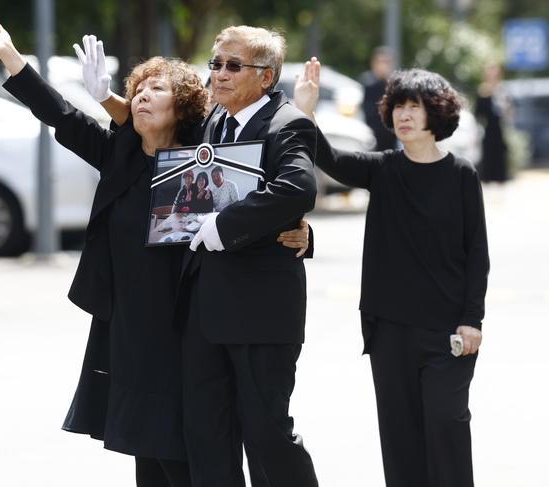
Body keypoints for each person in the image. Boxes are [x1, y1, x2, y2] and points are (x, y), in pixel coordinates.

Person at [0, 21, 207, 487]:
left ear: (185, 106)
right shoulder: (122, 155)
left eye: (158, 89)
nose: (143, 96)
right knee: (142, 449)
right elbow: (62, 116)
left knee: (180, 454)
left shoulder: (202, 162)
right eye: (139, 89)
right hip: (127, 327)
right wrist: (13, 59)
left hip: (180, 330)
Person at [296, 58, 489, 487]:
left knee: (446, 424)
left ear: (436, 113)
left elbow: (477, 252)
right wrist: (305, 109)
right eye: (399, 105)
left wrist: (472, 319)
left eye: (415, 106)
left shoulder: (461, 174)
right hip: (390, 332)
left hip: (447, 333)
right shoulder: (381, 169)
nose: (404, 114)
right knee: (400, 438)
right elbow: (326, 156)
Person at [181, 26, 319, 487]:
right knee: (207, 436)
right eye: (215, 63)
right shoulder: (213, 122)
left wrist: (226, 226)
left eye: (232, 65)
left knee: (266, 436)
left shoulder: (288, 123)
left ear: (266, 76)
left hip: (262, 315)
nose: (219, 74)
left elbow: (298, 188)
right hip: (206, 313)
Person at [475, 63, 509, 185]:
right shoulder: (482, 90)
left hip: (499, 127)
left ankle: (501, 178)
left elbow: (508, 110)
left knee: (500, 152)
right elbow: (478, 112)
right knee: (488, 152)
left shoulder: (502, 90)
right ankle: (488, 178)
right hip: (487, 127)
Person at [359, 46, 397, 151]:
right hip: (372, 131)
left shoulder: (392, 83)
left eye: (386, 62)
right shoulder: (367, 81)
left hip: (390, 132)